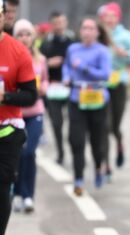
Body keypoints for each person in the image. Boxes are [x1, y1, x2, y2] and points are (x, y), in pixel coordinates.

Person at [0, 5, 38, 235]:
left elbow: (30, 96)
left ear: (3, 17)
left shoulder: (17, 50)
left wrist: (5, 97)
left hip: (7, 131)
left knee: (2, 191)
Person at [62, 16, 111, 196]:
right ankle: (78, 179)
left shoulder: (103, 51)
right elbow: (66, 67)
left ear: (97, 32)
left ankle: (99, 166)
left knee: (97, 143)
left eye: (91, 28)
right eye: (84, 28)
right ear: (80, 31)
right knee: (76, 141)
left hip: (97, 101)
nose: (87, 31)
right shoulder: (73, 49)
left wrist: (83, 67)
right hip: (77, 100)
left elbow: (105, 74)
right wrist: (66, 77)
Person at [98, 2, 130, 177]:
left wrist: (126, 55)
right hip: (99, 86)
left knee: (113, 127)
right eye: (106, 17)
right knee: (103, 126)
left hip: (119, 83)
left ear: (117, 18)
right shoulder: (98, 35)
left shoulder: (125, 36)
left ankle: (119, 140)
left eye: (112, 16)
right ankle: (105, 165)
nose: (109, 20)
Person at [12, 19, 48, 213]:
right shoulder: (11, 57)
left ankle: (28, 196)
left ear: (33, 37)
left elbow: (45, 82)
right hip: (15, 112)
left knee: (29, 152)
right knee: (16, 154)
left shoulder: (40, 59)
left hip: (35, 112)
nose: (24, 38)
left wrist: (41, 88)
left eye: (27, 34)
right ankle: (17, 192)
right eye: (20, 34)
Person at [40, 11, 73, 165]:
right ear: (51, 25)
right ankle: (60, 152)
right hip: (53, 87)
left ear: (66, 23)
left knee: (74, 122)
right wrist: (48, 63)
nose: (59, 26)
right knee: (56, 123)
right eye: (56, 23)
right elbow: (38, 62)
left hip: (70, 86)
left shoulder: (72, 42)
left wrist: (66, 61)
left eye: (62, 22)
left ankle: (75, 149)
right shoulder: (46, 43)